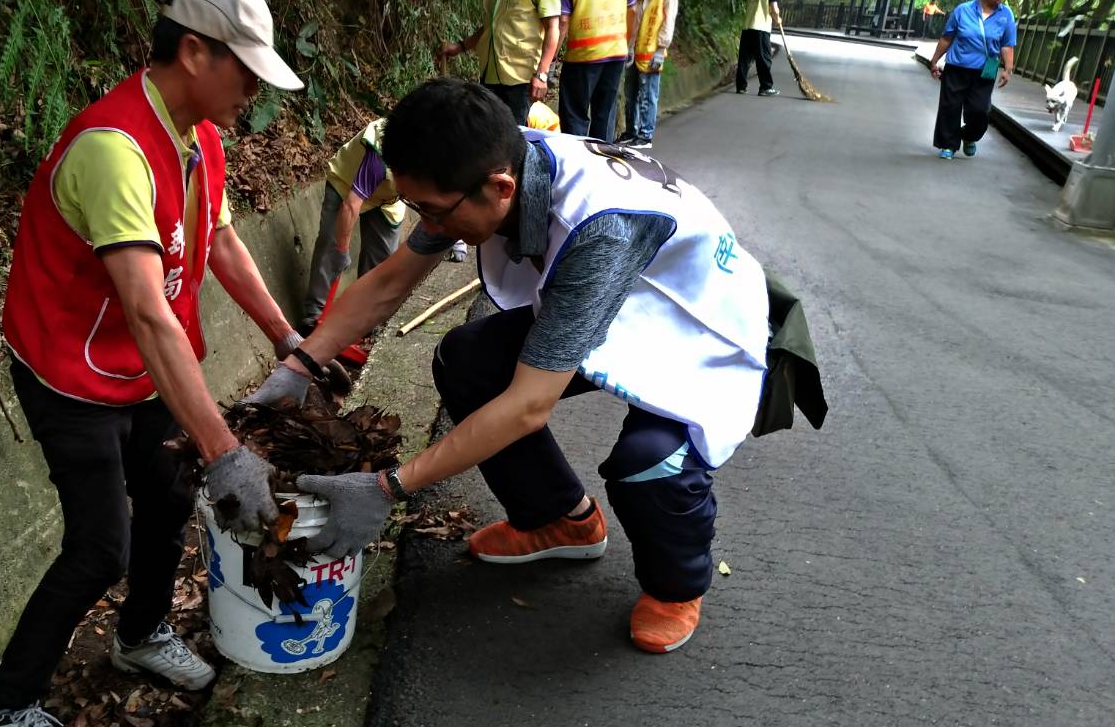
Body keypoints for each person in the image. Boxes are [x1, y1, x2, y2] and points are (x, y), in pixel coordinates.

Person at [248, 79, 771, 655]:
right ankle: (561, 520)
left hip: (696, 330)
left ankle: (677, 587)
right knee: (466, 359)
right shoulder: (483, 159)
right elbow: (391, 282)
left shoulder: (597, 227)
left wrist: (387, 487)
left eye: (432, 211)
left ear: (499, 188)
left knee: (650, 462)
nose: (428, 225)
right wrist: (300, 366)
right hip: (617, 301)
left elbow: (528, 405)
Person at [0, 0, 299, 727]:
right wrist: (226, 449)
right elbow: (149, 311)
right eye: (246, 70)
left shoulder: (199, 135)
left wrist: (290, 341)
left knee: (165, 499)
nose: (255, 90)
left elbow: (219, 243)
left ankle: (140, 636)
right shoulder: (113, 151)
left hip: (140, 369)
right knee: (98, 547)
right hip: (69, 372)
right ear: (193, 51)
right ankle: (6, 708)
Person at [300, 118, 406, 334]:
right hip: (347, 184)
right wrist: (341, 250)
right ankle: (314, 316)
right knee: (331, 245)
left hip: (388, 199)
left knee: (381, 261)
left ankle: (365, 321)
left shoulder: (433, 155)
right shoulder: (378, 157)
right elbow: (351, 205)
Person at [926, 0, 1017, 159]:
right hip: (957, 67)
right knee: (950, 107)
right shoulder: (963, 10)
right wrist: (935, 60)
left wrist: (1008, 69)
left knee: (980, 110)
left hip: (985, 70)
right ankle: (948, 145)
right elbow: (947, 37)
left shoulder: (1005, 14)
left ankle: (969, 136)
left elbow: (1007, 44)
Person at [555, 0, 634, 138]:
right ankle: (603, 164)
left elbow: (563, 21)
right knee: (604, 115)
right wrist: (627, 43)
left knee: (575, 117)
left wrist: (550, 59)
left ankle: (579, 166)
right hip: (616, 52)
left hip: (582, 56)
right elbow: (632, 9)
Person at [620, 0, 678, 149]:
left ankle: (645, 136)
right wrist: (629, 47)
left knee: (647, 97)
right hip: (636, 53)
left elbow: (667, 26)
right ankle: (631, 132)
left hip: (652, 55)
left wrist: (660, 51)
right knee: (631, 96)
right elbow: (635, 23)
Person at [736, 0, 784, 96]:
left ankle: (741, 86)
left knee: (744, 58)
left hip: (747, 25)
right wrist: (777, 18)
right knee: (764, 58)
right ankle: (766, 87)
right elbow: (773, 7)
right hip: (761, 27)